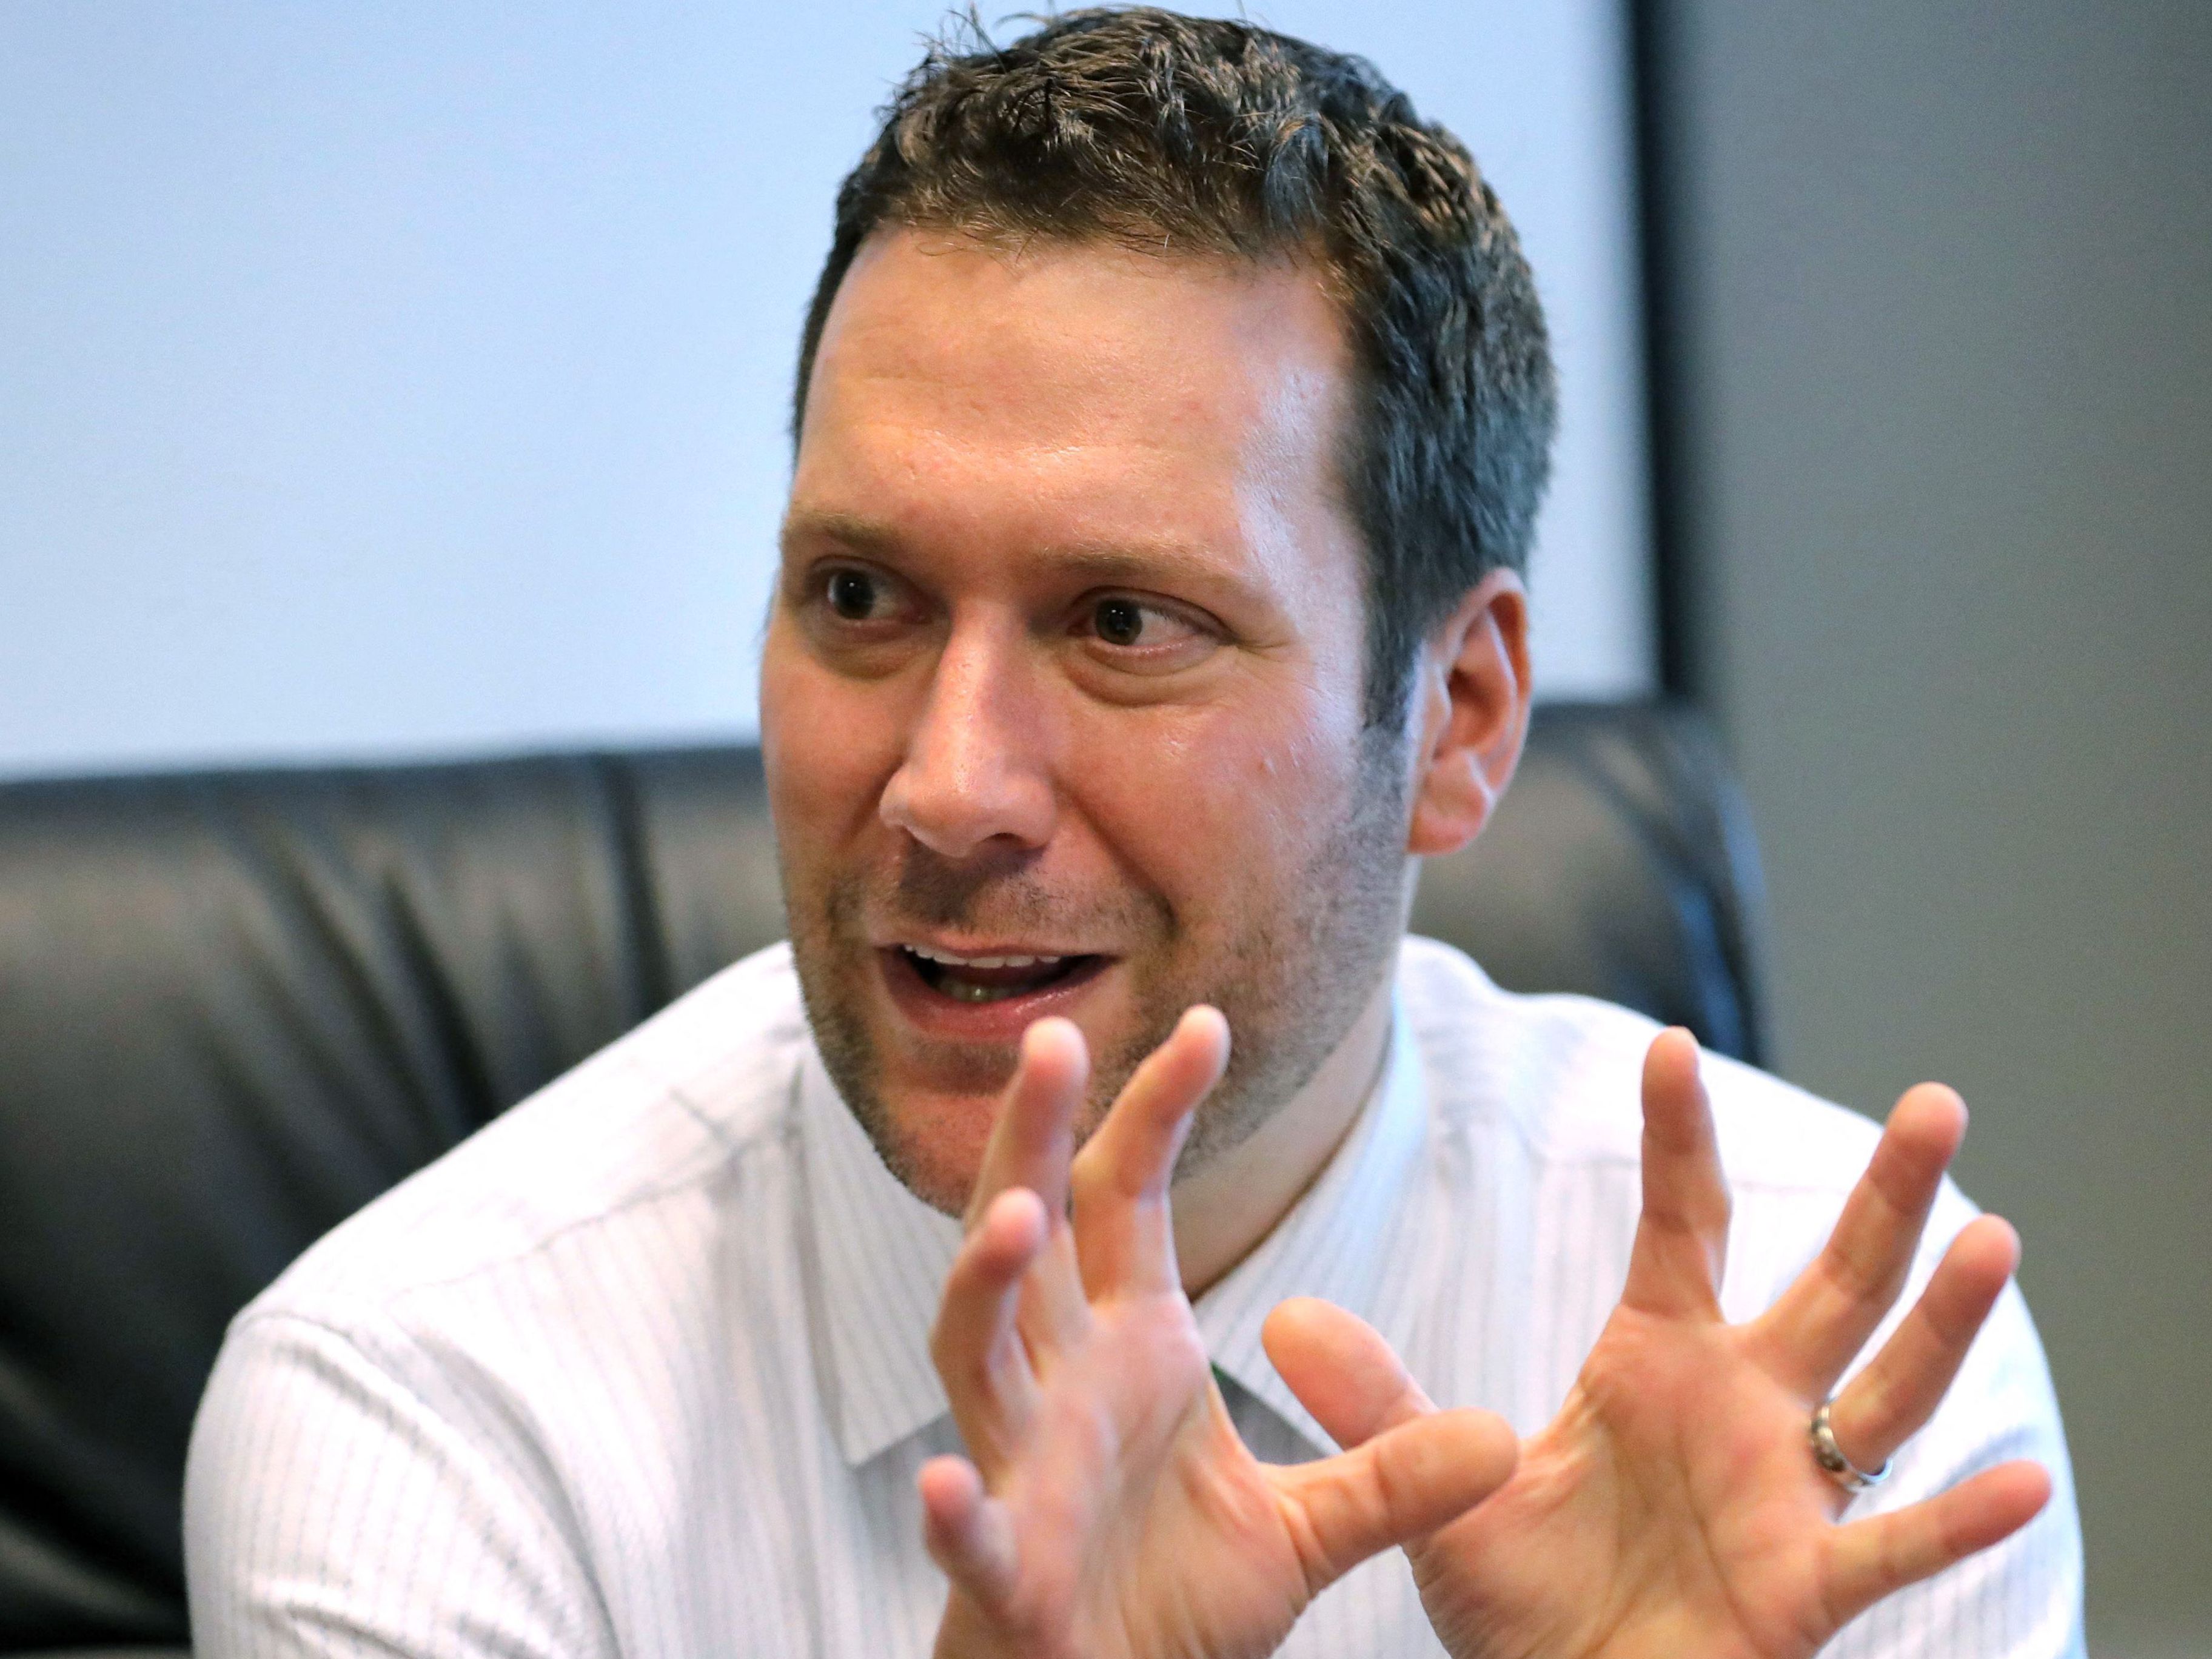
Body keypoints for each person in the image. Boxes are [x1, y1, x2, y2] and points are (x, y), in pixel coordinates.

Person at [183, 10, 2083, 1657]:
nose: (947, 788)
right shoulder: (423, 1410)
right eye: (861, 597)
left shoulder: (1831, 1381)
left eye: (1123, 626)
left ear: (1460, 715)